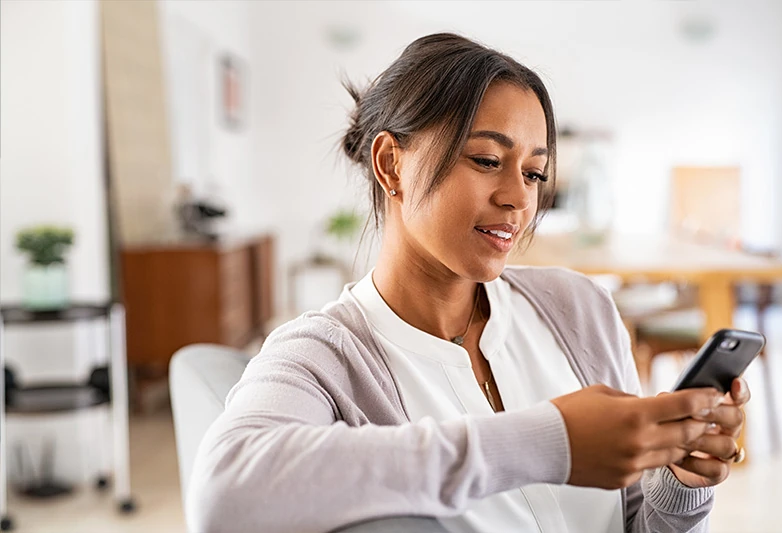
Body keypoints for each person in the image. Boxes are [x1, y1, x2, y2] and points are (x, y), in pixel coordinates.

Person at [187, 33, 750, 533]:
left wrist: (679, 480)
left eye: (534, 172)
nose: (518, 198)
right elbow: (223, 497)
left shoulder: (580, 309)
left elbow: (635, 524)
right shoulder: (325, 355)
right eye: (485, 160)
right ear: (390, 164)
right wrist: (551, 443)